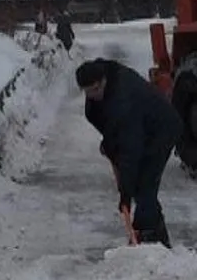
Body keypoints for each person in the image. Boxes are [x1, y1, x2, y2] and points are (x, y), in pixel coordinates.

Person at [77, 58, 181, 246]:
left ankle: (148, 237)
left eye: (96, 89)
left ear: (103, 81)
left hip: (162, 130)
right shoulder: (102, 92)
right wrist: (110, 144)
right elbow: (111, 128)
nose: (93, 95)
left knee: (144, 183)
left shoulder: (123, 100)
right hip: (140, 129)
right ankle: (157, 238)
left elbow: (130, 151)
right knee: (141, 186)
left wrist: (125, 193)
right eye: (88, 92)